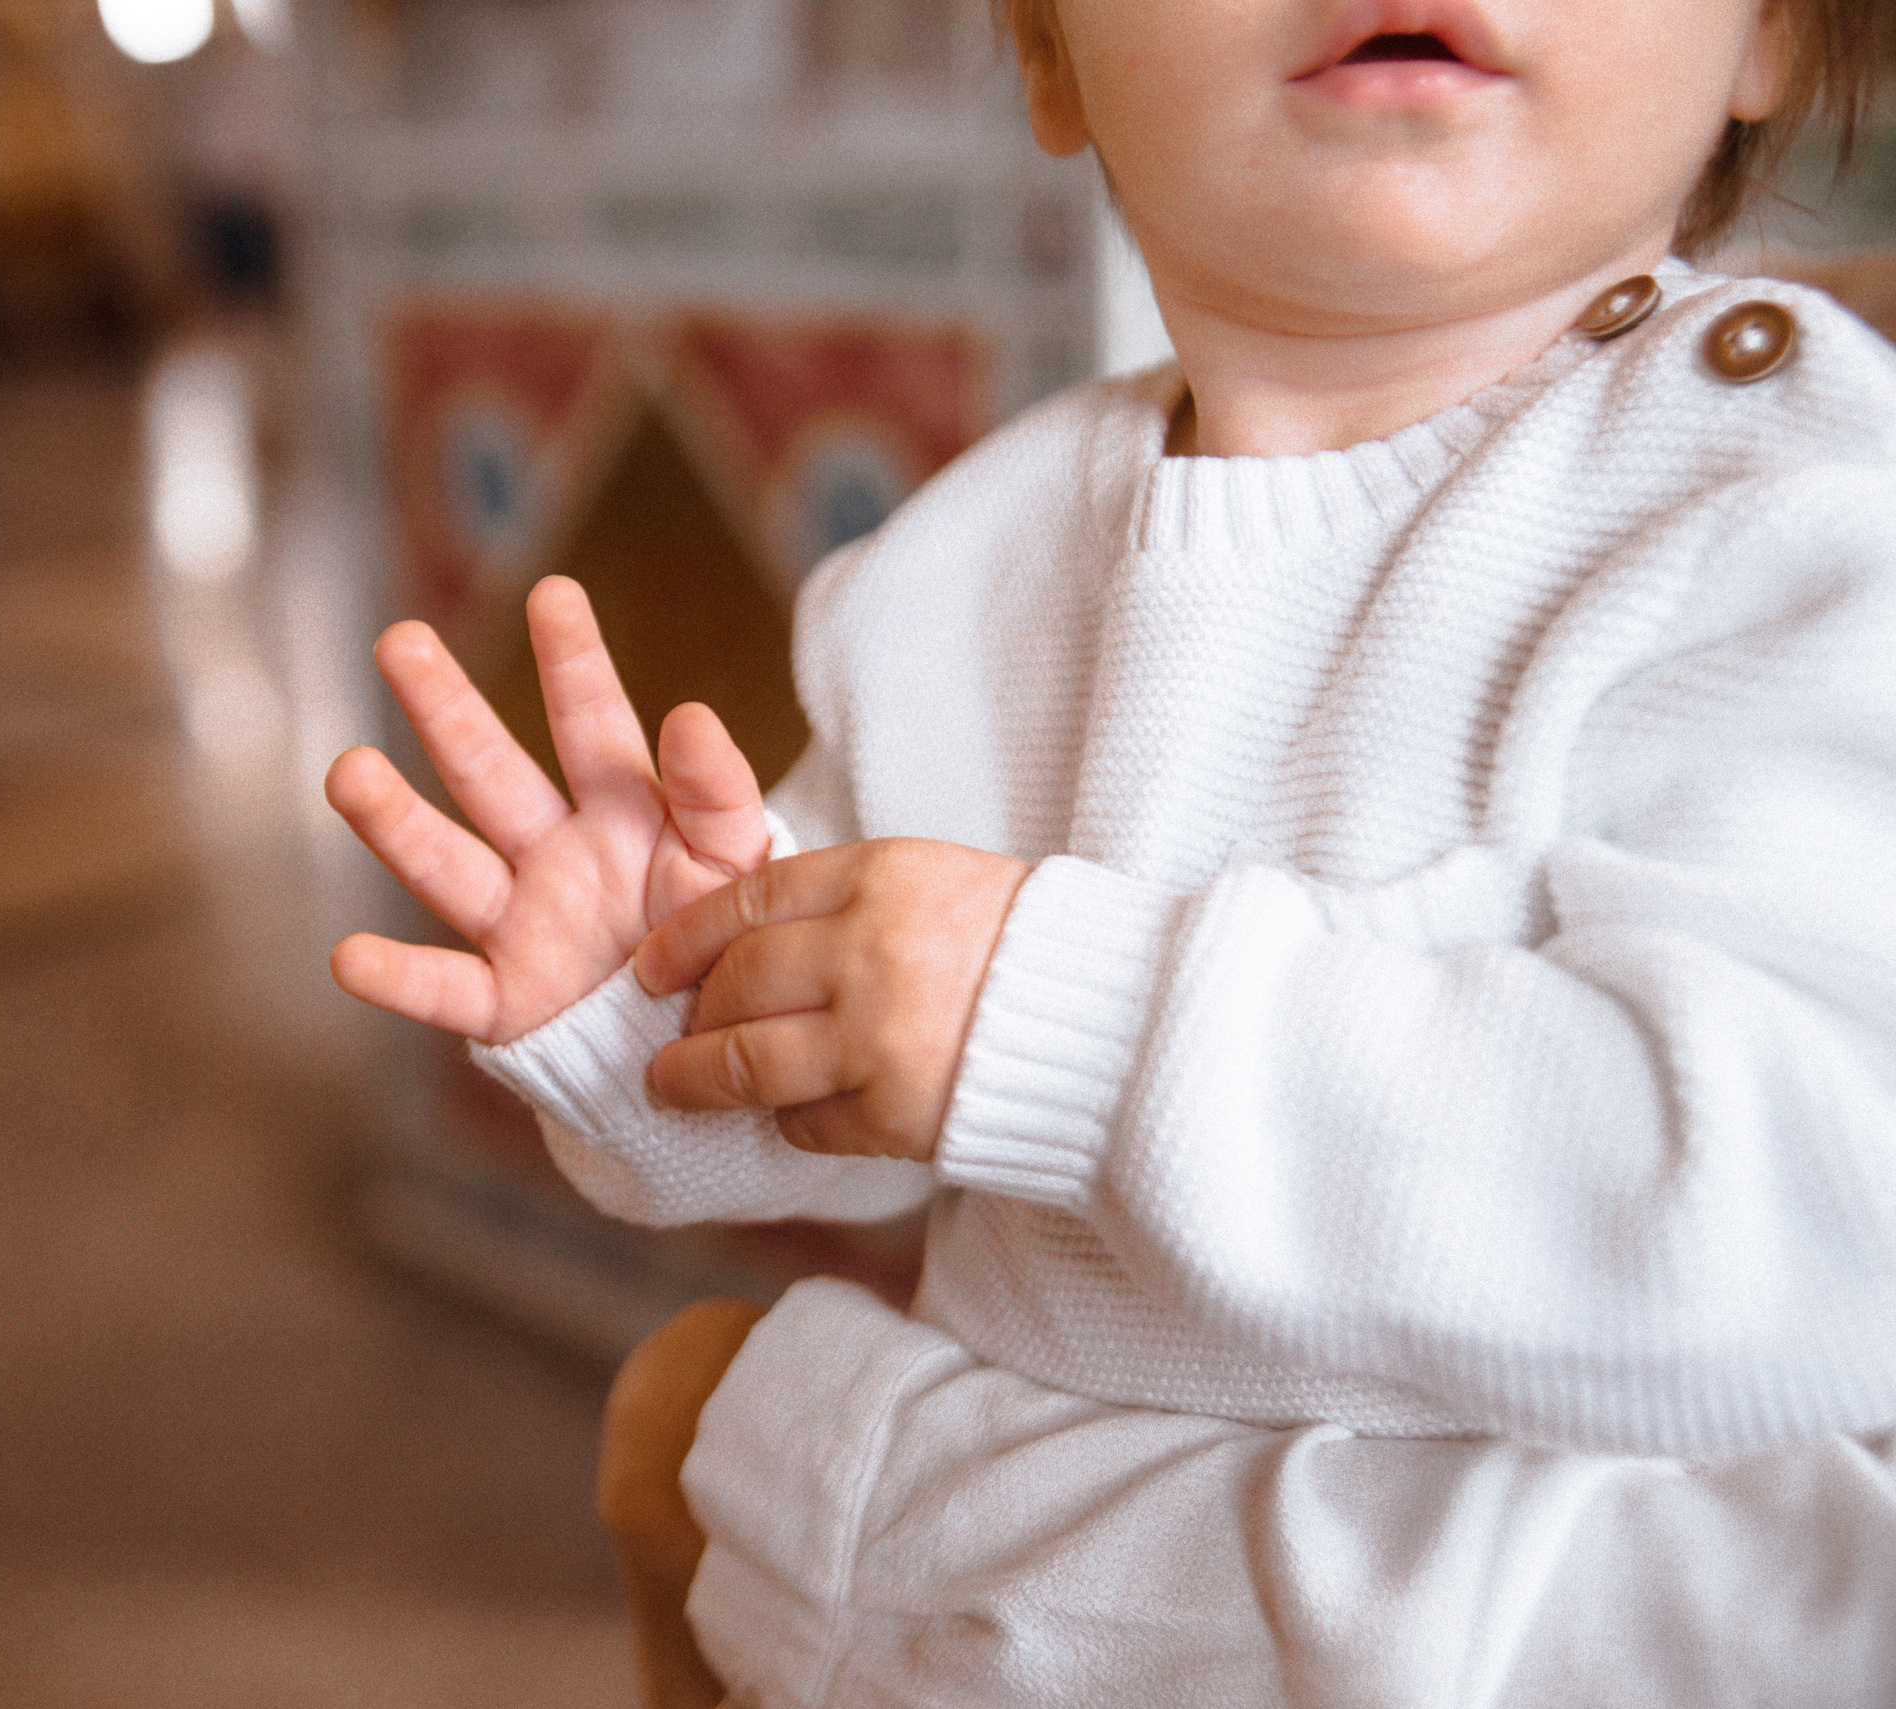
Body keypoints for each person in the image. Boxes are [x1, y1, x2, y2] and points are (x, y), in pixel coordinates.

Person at [327, 0, 1896, 1702]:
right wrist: (652, 1009)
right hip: (1015, 1610)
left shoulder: (1787, 513)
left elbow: (1805, 1200)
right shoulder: (964, 565)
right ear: (1056, 59)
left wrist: (1070, 1019)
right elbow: (828, 1121)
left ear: (1773, 43)